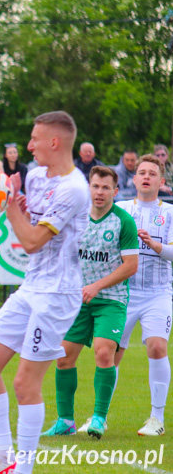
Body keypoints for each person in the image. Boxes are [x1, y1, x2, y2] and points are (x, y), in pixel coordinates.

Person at [0, 111, 89, 474]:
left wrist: (11, 211)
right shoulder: (36, 176)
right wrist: (21, 208)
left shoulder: (74, 188)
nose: (28, 146)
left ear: (54, 142)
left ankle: (24, 467)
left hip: (58, 295)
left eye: (34, 138)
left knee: (25, 384)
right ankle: (4, 457)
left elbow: (33, 241)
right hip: (32, 286)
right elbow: (31, 228)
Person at [40, 166, 138, 439]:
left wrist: (97, 285)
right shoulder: (77, 218)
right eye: (95, 186)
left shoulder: (122, 221)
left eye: (106, 187)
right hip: (77, 300)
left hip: (110, 300)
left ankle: (98, 418)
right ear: (88, 189)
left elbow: (131, 266)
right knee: (63, 357)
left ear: (115, 192)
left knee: (103, 352)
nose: (99, 192)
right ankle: (65, 421)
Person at [114, 154, 173, 436]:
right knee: (109, 352)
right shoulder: (120, 209)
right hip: (123, 292)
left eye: (152, 173)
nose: (146, 176)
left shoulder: (170, 213)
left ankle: (156, 419)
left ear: (161, 182)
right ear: (134, 179)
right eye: (142, 172)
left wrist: (155, 245)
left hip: (157, 292)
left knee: (157, 347)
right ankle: (98, 417)